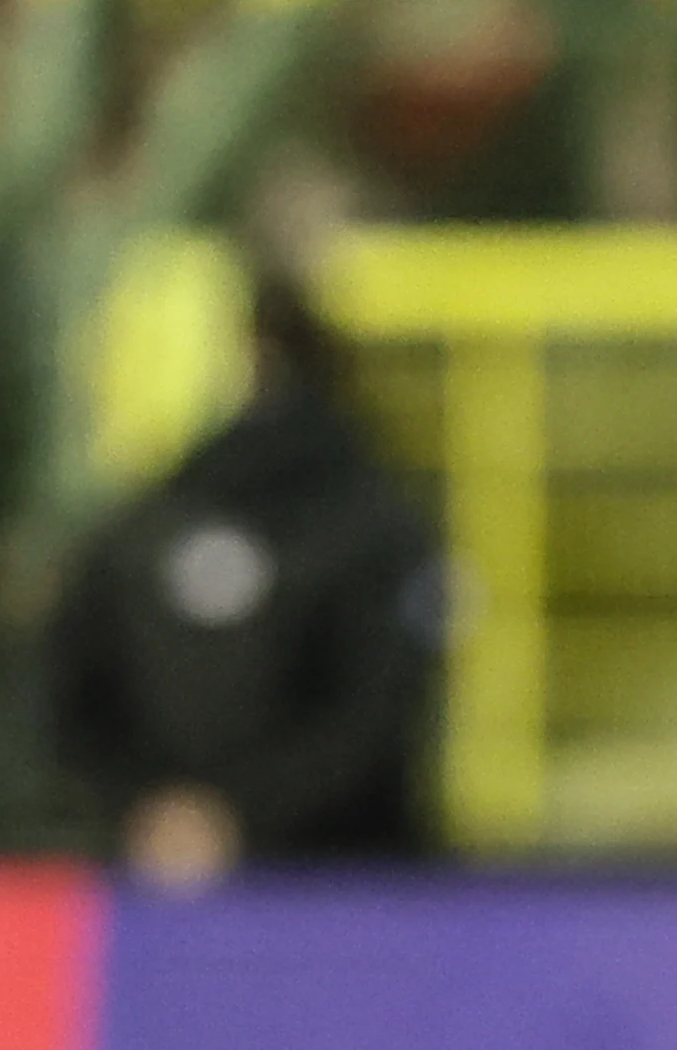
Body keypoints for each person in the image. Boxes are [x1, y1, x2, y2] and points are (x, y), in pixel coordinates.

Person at [48, 275, 445, 889]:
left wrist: (164, 814)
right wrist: (217, 816)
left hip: (205, 879)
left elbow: (67, 707)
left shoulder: (131, 527)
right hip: (339, 886)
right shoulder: (378, 516)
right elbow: (379, 711)